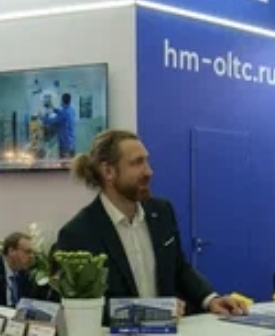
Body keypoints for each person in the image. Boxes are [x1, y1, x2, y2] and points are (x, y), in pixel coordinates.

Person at [54, 129, 248, 317]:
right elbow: (80, 307)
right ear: (108, 171)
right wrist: (149, 312)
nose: (149, 171)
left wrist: (211, 299)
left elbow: (179, 268)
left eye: (146, 161)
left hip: (173, 334)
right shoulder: (78, 233)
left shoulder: (162, 212)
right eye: (137, 163)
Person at [0, 231, 37, 308]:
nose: (31, 256)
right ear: (11, 251)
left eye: (32, 253)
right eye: (27, 252)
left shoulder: (24, 274)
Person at [41, 93, 77, 159]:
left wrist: (41, 117)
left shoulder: (63, 113)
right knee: (71, 162)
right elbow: (61, 113)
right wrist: (52, 107)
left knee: (64, 163)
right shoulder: (71, 110)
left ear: (62, 101)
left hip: (65, 145)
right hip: (71, 143)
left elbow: (51, 121)